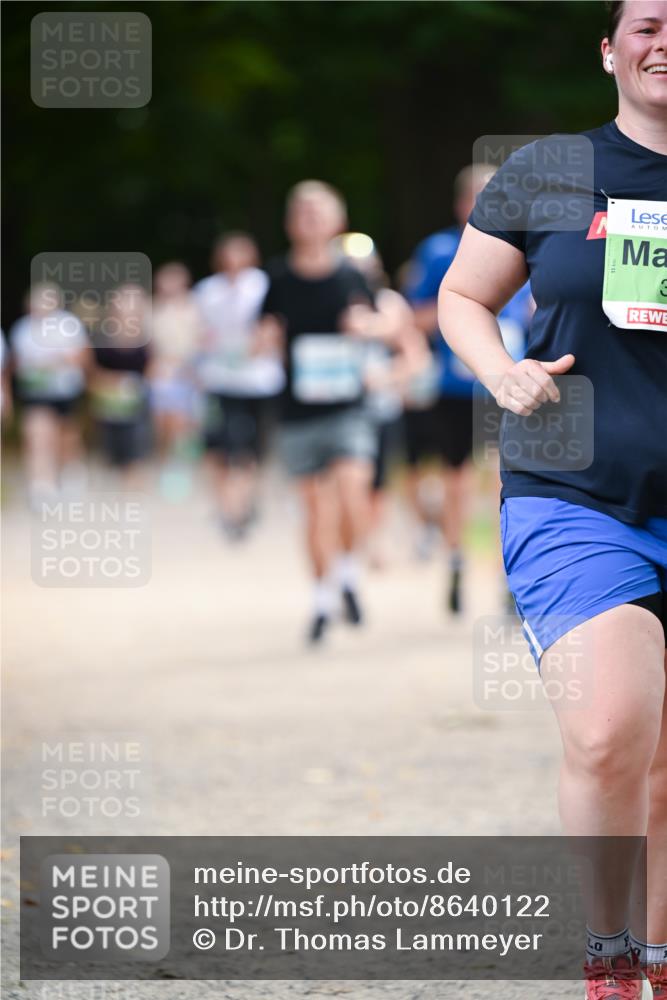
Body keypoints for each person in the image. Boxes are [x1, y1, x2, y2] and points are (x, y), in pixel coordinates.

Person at [439, 2, 667, 995]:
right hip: (574, 490)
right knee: (611, 724)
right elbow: (462, 297)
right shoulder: (549, 170)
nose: (665, 41)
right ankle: (608, 954)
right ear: (611, 48)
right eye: (650, 23)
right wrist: (501, 374)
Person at [405, 165, 532, 613]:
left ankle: (506, 580)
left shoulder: (530, 243)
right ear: (463, 204)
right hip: (454, 389)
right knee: (458, 483)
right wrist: (458, 319)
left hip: (507, 387)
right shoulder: (439, 250)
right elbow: (416, 314)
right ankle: (457, 561)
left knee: (505, 483)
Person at [256, 181, 378, 643]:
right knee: (314, 512)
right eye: (300, 211)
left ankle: (348, 571)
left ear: (336, 222)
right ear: (289, 224)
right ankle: (322, 600)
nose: (308, 218)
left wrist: (365, 325)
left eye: (317, 211)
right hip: (298, 410)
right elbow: (263, 329)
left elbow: (383, 321)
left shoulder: (351, 276)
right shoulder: (278, 277)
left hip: (347, 406)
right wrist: (264, 340)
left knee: (352, 491)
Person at [194, 233, 283, 540]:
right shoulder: (208, 291)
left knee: (252, 447)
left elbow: (274, 324)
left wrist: (260, 343)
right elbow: (199, 331)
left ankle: (245, 499)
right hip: (220, 378)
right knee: (221, 445)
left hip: (258, 380)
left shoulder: (262, 284)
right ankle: (229, 507)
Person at [9, 283, 89, 508]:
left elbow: (82, 359)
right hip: (36, 392)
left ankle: (70, 475)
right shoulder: (22, 329)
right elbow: (15, 363)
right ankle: (41, 487)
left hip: (65, 391)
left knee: (66, 439)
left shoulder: (68, 325)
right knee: (38, 436)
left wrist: (56, 361)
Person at [148, 262, 203, 498]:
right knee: (162, 424)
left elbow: (201, 340)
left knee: (184, 424)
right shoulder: (154, 310)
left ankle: (179, 471)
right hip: (162, 372)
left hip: (188, 371)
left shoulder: (195, 308)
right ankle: (165, 465)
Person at [90, 284, 152, 486]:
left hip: (138, 402)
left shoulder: (147, 337)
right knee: (111, 452)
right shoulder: (102, 337)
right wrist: (110, 382)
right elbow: (91, 369)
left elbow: (154, 367)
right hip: (109, 404)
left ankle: (132, 490)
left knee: (135, 448)